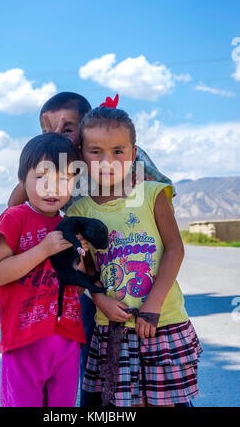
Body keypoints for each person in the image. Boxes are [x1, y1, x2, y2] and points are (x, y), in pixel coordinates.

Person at [7, 91, 177, 407]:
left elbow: (158, 206)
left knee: (96, 348)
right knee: (84, 352)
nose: (57, 136)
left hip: (119, 265)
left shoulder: (115, 159)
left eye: (67, 128)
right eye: (47, 130)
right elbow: (14, 208)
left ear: (85, 131)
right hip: (81, 274)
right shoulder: (52, 166)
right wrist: (43, 154)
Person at [66, 96, 203, 407]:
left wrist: (153, 305)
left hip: (163, 321)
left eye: (118, 151)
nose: (108, 161)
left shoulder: (152, 194)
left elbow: (174, 249)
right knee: (124, 404)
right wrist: (100, 298)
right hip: (112, 329)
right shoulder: (80, 210)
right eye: (96, 152)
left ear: (134, 153)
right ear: (81, 155)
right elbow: (87, 269)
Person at [0, 133, 86, 407]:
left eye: (64, 179)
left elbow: (75, 288)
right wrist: (43, 250)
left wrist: (80, 261)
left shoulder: (69, 225)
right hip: (23, 341)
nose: (52, 188)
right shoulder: (14, 218)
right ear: (22, 180)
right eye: (41, 177)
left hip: (66, 340)